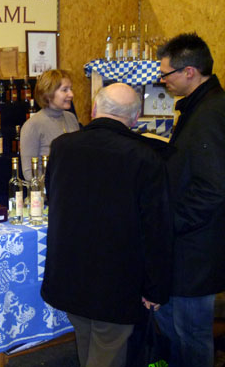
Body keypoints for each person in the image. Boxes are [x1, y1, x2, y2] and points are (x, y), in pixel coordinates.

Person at [41, 83, 172, 367]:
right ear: (135, 118)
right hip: (116, 282)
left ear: (94, 109)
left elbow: (52, 197)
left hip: (70, 273)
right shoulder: (146, 157)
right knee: (106, 351)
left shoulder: (62, 147)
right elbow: (156, 229)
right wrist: (156, 288)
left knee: (87, 343)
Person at [154, 33, 225, 367]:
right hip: (188, 245)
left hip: (196, 250)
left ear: (190, 72)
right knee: (176, 329)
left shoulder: (210, 113)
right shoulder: (200, 107)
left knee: (191, 335)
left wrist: (170, 222)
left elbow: (212, 188)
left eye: (166, 74)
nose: (162, 80)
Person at [20, 69, 79, 180]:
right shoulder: (32, 126)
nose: (71, 94)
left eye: (71, 89)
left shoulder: (71, 118)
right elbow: (29, 173)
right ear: (48, 94)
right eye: (65, 90)